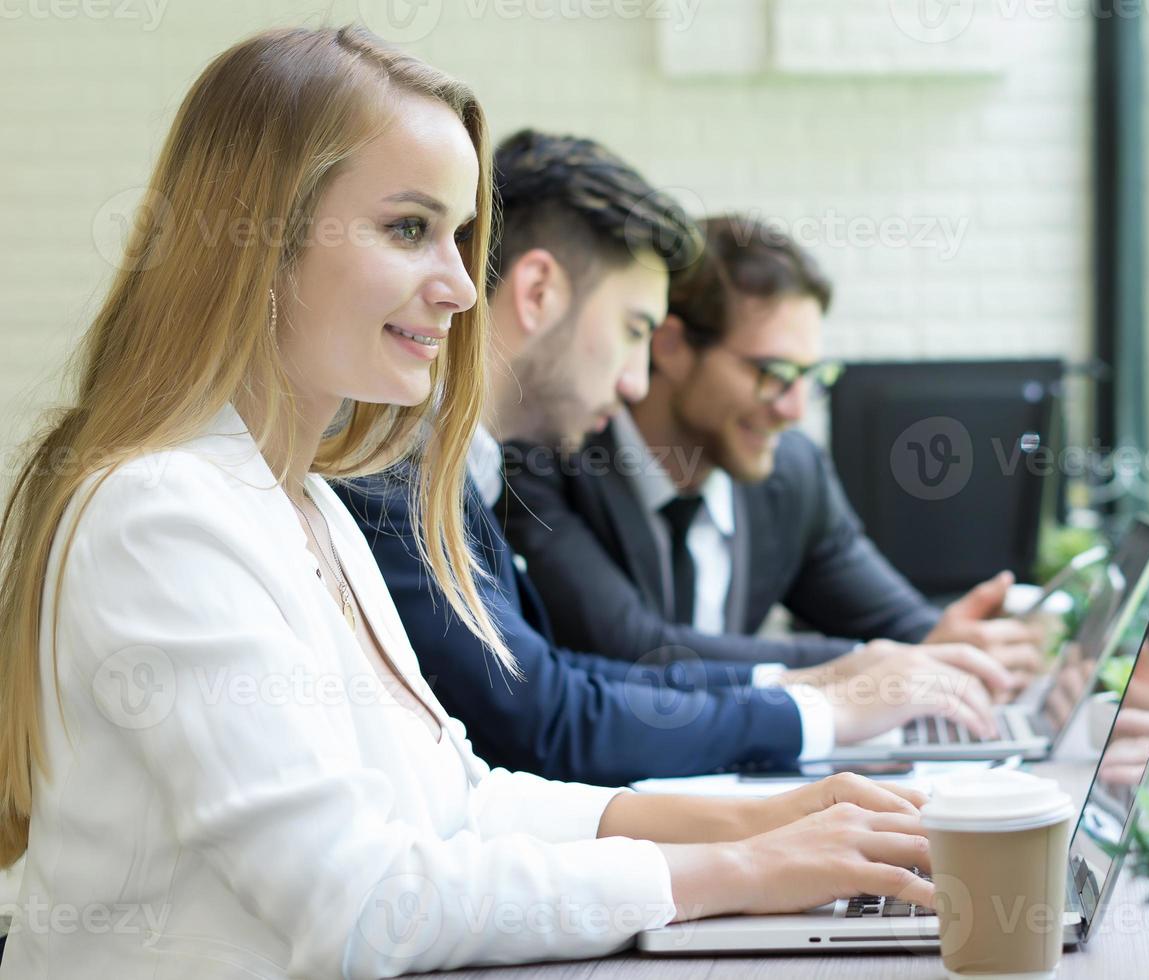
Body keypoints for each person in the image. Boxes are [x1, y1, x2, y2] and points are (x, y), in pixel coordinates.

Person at [0, 27, 938, 978]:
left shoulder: (310, 510)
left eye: (458, 237)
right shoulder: (161, 514)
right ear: (262, 243)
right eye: (410, 229)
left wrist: (759, 819)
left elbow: (459, 801)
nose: (457, 287)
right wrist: (727, 869)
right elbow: (362, 906)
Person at [338, 130, 1017, 786]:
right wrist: (822, 708)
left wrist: (826, 681)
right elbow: (551, 716)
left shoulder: (449, 467)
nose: (636, 383)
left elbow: (566, 679)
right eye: (634, 330)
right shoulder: (394, 468)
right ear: (538, 293)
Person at [502, 212, 1046, 679]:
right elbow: (634, 647)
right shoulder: (551, 453)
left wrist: (980, 651)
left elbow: (907, 631)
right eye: (774, 372)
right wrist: (871, 667)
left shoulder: (792, 473)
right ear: (669, 345)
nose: (793, 409)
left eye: (810, 375)